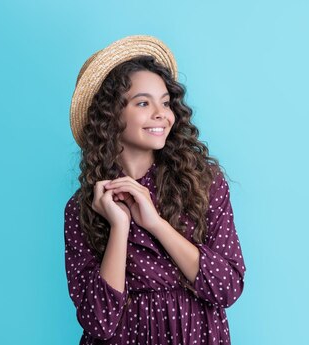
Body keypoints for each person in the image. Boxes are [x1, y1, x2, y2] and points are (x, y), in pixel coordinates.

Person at [63, 35, 247, 345]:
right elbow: (99, 321)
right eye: (143, 103)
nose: (161, 113)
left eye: (165, 102)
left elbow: (226, 287)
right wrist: (119, 227)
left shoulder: (204, 185)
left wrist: (156, 224)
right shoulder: (83, 207)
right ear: (110, 116)